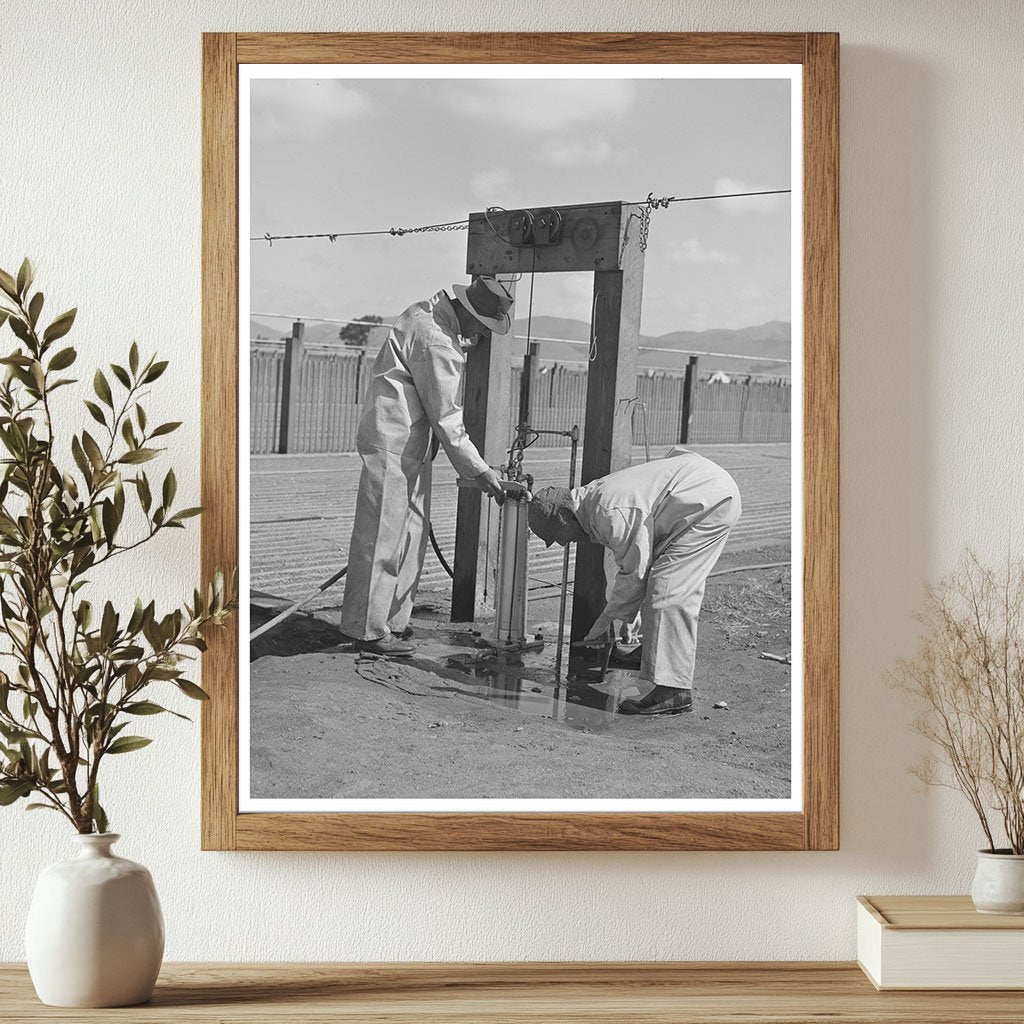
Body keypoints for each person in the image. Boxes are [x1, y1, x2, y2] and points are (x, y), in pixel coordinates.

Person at [340, 276, 514, 656]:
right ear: (471, 315)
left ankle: (393, 622)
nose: (481, 336)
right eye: (482, 327)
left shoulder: (426, 313)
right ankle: (367, 630)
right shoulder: (437, 342)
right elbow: (447, 419)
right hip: (393, 443)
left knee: (411, 536)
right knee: (382, 536)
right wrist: (480, 471)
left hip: (412, 445)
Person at [528, 448, 741, 715]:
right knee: (660, 581)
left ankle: (673, 692)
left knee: (669, 590)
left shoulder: (609, 513)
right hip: (694, 490)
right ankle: (654, 652)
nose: (563, 542)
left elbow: (635, 572)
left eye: (559, 536)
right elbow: (636, 564)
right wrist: (627, 616)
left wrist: (603, 625)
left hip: (708, 500)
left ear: (563, 517)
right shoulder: (592, 503)